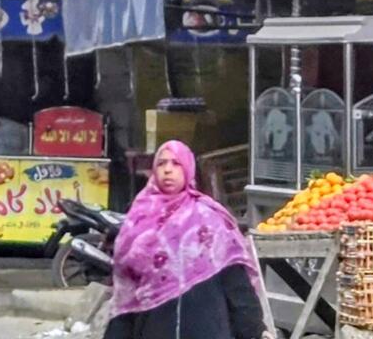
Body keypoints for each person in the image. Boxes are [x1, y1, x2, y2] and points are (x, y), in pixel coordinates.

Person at [104, 141, 268, 339]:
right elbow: (127, 295)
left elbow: (235, 283)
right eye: (162, 164)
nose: (168, 170)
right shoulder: (137, 222)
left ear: (188, 169)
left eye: (176, 163)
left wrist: (253, 331)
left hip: (206, 329)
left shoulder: (209, 219)